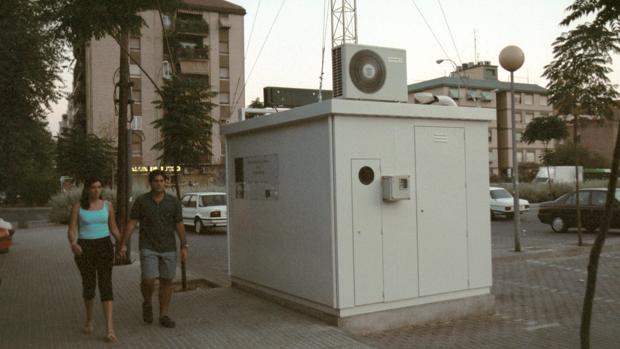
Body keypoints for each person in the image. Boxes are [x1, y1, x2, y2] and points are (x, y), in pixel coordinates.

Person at [119, 170, 188, 328]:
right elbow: (131, 223)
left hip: (168, 247)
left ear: (166, 182)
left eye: (161, 180)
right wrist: (123, 243)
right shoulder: (142, 201)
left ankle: (163, 315)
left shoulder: (173, 202)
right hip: (148, 246)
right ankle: (148, 302)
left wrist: (184, 245)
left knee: (167, 282)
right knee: (148, 280)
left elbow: (179, 225)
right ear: (150, 183)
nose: (159, 183)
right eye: (156, 181)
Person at [67, 177, 120, 343]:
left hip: (104, 246)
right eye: (93, 187)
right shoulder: (78, 207)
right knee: (89, 285)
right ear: (87, 189)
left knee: (105, 285)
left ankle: (109, 329)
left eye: (99, 187)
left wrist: (122, 243)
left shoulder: (108, 206)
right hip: (85, 248)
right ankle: (89, 320)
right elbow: (71, 229)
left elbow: (113, 228)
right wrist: (73, 243)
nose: (97, 190)